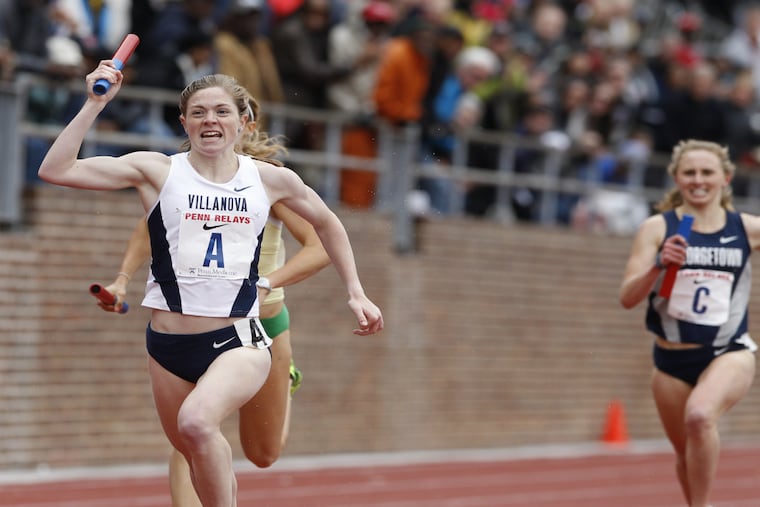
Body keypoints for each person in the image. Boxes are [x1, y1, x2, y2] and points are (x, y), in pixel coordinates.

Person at [38, 61, 383, 507]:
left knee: (199, 424)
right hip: (166, 347)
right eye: (198, 113)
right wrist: (94, 104)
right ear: (184, 123)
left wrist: (355, 291)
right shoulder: (157, 171)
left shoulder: (269, 179)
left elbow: (329, 226)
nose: (210, 121)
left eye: (221, 112)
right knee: (195, 450)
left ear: (244, 122)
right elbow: (56, 169)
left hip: (239, 338)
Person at [619, 139, 758, 507]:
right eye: (690, 173)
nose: (699, 180)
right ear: (676, 178)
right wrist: (658, 265)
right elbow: (628, 298)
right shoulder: (656, 228)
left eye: (708, 172)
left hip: (729, 352)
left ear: (726, 178)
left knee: (699, 417)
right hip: (670, 362)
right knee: (686, 454)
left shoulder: (745, 228)